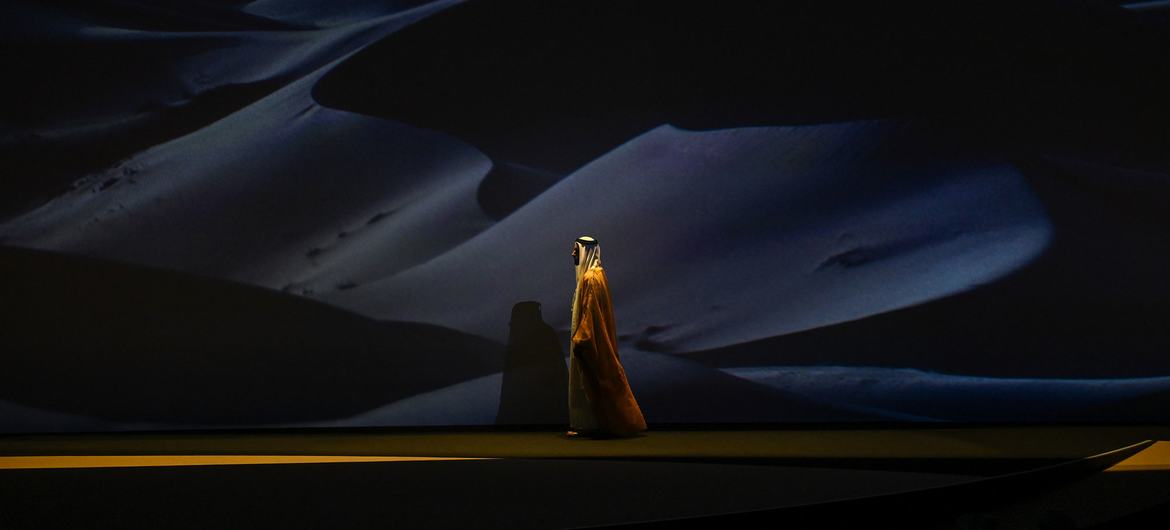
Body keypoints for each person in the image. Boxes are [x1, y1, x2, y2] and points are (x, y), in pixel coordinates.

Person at [566, 236, 647, 438]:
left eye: (576, 249)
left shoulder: (591, 279)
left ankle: (591, 426)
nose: (573, 253)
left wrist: (582, 340)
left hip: (590, 342)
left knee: (591, 383)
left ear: (587, 250)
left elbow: (591, 313)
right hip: (593, 340)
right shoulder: (597, 275)